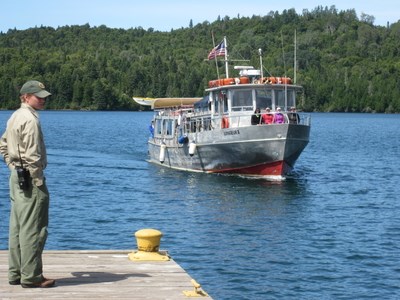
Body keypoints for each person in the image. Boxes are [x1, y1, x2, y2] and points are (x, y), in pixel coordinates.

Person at [0, 80, 55, 288]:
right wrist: (37, 177)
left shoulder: (15, 116)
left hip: (16, 176)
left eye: (43, 96)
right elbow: (32, 155)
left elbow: (3, 144)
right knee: (34, 228)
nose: (42, 100)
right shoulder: (30, 120)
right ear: (25, 97)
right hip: (31, 179)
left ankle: (15, 274)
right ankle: (31, 276)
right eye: (38, 96)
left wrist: (12, 166)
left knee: (17, 227)